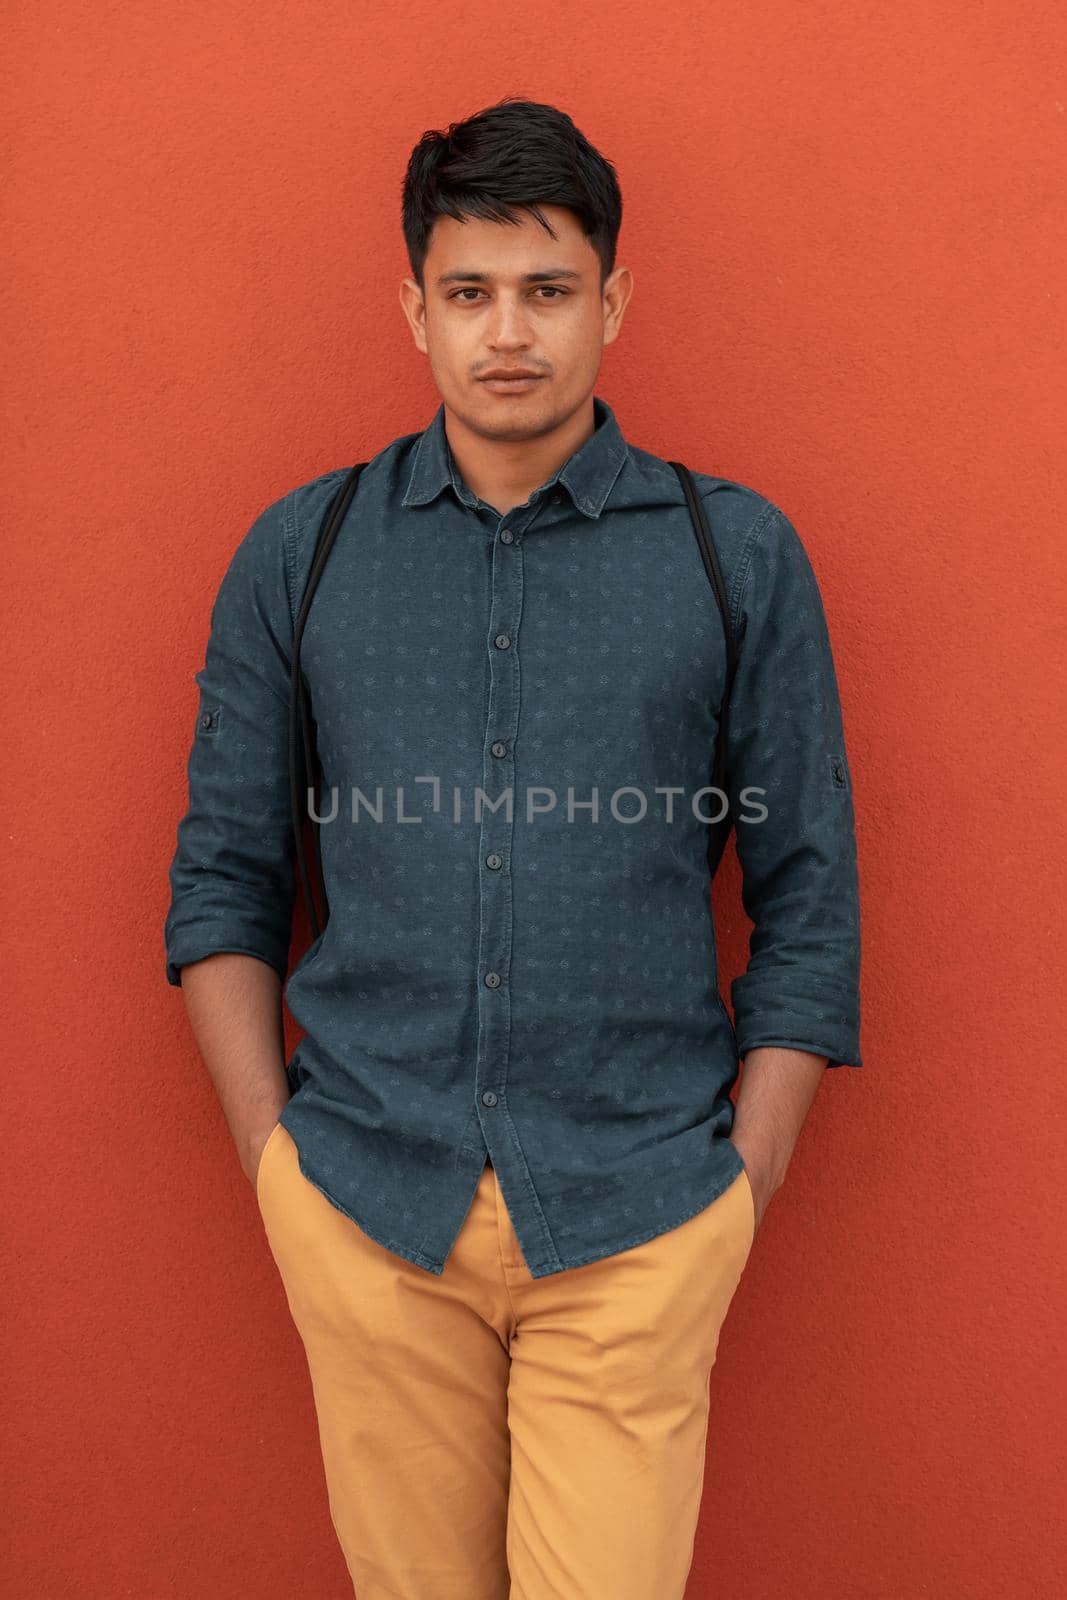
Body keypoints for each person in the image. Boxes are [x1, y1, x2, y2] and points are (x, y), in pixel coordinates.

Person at [164, 95, 863, 1600]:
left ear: (614, 301)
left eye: (549, 292)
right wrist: (272, 1160)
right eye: (469, 292)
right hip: (366, 1199)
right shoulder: (308, 549)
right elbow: (226, 875)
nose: (509, 335)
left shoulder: (729, 553)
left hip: (640, 1211)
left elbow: (809, 894)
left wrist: (745, 1175)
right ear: (413, 307)